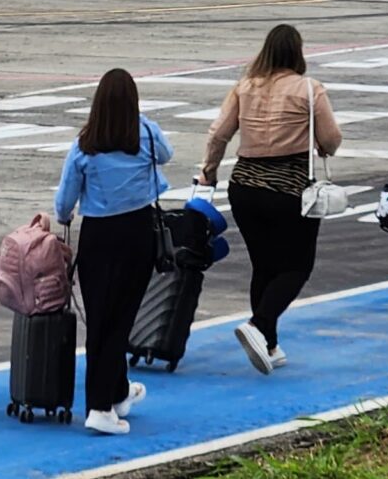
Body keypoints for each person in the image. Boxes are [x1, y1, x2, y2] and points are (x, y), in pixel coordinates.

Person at [196, 24, 342, 375]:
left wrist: (209, 171)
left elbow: (219, 134)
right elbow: (332, 139)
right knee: (297, 266)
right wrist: (320, 144)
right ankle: (259, 325)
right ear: (297, 52)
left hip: (244, 186)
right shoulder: (309, 89)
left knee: (264, 265)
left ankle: (270, 345)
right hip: (288, 188)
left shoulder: (244, 87)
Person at [52, 68, 171, 436]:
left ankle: (115, 394)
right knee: (122, 320)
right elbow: (167, 154)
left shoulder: (85, 144)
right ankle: (100, 406)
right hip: (137, 233)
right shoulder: (146, 134)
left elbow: (64, 201)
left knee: (102, 321)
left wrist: (63, 214)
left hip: (98, 237)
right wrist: (140, 120)